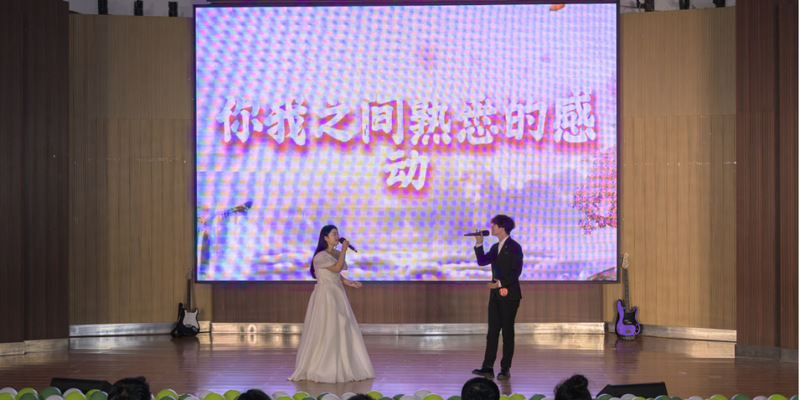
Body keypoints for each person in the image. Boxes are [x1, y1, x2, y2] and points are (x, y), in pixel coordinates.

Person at [289, 224, 375, 383]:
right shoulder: (321, 256)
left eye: (337, 234)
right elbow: (336, 268)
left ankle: (343, 365)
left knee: (342, 326)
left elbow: (337, 273)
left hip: (337, 292)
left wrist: (348, 282)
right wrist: (343, 250)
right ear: (325, 237)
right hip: (326, 295)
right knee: (328, 328)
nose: (337, 236)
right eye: (334, 234)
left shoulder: (334, 253)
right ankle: (324, 367)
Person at [470, 214, 524, 380]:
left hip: (510, 295)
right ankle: (487, 367)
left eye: (493, 225)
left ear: (502, 228)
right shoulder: (495, 247)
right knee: (492, 332)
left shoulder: (514, 247)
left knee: (507, 332)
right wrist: (479, 244)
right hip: (495, 295)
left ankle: (505, 368)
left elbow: (516, 272)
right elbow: (482, 261)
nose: (491, 228)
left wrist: (500, 283)